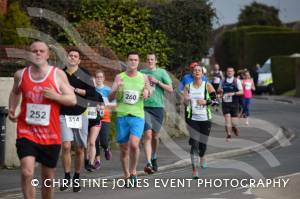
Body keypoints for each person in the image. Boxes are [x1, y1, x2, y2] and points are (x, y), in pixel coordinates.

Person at [8, 41, 76, 199]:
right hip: (27, 131)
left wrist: (56, 96)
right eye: (34, 51)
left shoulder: (57, 74)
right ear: (29, 54)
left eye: (41, 51)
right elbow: (15, 92)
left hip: (50, 135)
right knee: (27, 172)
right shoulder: (21, 74)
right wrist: (12, 108)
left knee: (48, 178)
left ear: (47, 54)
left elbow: (72, 99)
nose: (38, 53)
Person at [59, 48, 99, 192]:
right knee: (66, 146)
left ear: (79, 60)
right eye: (70, 55)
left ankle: (77, 177)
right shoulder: (60, 73)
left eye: (75, 56)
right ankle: (67, 176)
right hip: (63, 113)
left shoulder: (85, 74)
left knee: (80, 148)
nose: (73, 58)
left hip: (80, 114)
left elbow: (92, 94)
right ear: (67, 58)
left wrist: (74, 89)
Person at [109, 51, 150, 187]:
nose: (133, 62)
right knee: (124, 149)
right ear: (127, 61)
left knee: (134, 144)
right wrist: (117, 88)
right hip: (122, 116)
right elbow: (110, 97)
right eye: (130, 59)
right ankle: (126, 175)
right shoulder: (119, 77)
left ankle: (133, 171)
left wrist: (146, 92)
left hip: (137, 116)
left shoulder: (144, 77)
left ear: (138, 62)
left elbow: (148, 91)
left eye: (135, 60)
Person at [140, 53, 173, 174]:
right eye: (148, 59)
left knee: (155, 136)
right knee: (147, 135)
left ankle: (154, 156)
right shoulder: (142, 73)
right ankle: (148, 162)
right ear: (146, 61)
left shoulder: (161, 72)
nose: (150, 61)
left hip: (158, 107)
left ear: (156, 61)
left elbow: (170, 89)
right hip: (144, 107)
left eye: (152, 59)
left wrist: (157, 82)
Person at [182, 65, 217, 179]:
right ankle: (195, 170)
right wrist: (186, 100)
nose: (197, 72)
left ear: (202, 74)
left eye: (199, 70)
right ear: (192, 73)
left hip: (205, 119)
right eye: (195, 70)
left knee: (203, 144)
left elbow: (216, 101)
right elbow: (184, 102)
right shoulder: (188, 86)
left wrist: (206, 102)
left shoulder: (207, 85)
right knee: (195, 143)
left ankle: (202, 156)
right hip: (192, 119)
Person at [93, 70, 115, 169]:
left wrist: (105, 104)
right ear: (95, 78)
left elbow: (114, 103)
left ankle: (106, 148)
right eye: (97, 77)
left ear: (104, 78)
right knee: (95, 140)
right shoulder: (92, 90)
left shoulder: (107, 90)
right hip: (93, 118)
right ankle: (97, 160)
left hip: (105, 118)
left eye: (101, 77)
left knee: (103, 141)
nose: (99, 79)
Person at [218, 67, 244, 141]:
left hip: (234, 104)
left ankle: (234, 127)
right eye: (228, 71)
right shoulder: (222, 81)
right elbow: (219, 91)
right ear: (226, 72)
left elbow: (242, 92)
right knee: (227, 120)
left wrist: (234, 93)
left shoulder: (237, 81)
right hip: (225, 103)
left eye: (231, 71)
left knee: (234, 122)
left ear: (233, 72)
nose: (229, 72)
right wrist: (220, 90)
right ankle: (229, 135)